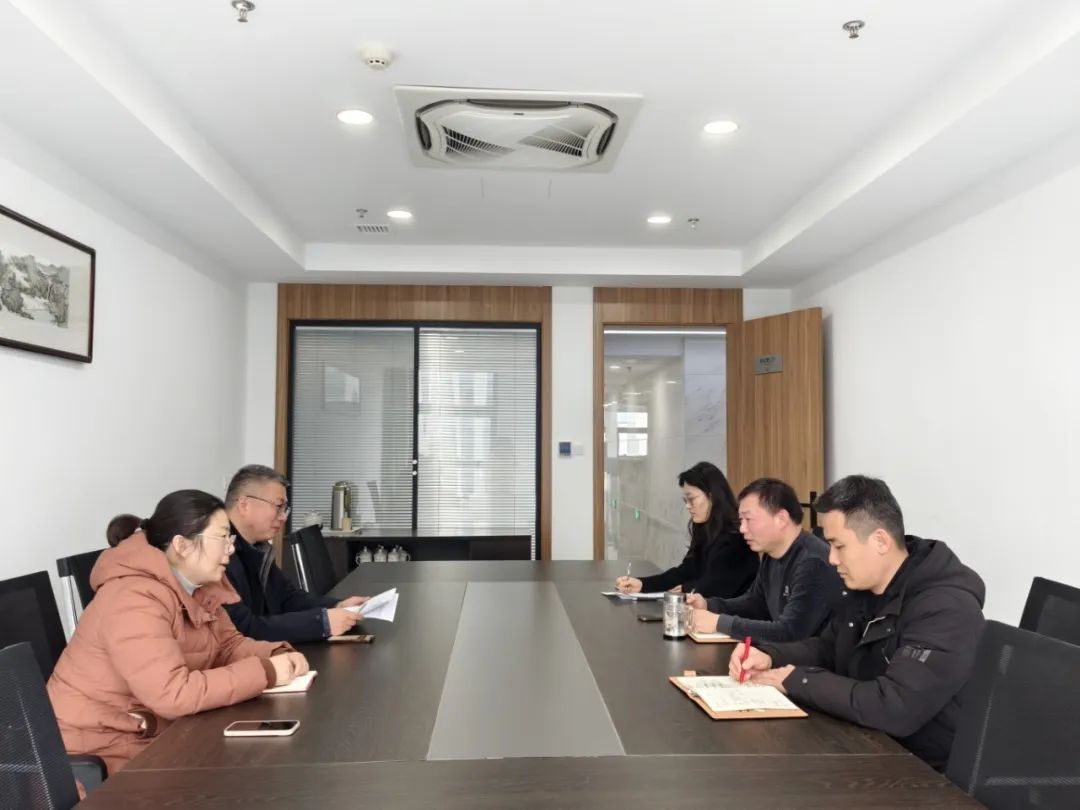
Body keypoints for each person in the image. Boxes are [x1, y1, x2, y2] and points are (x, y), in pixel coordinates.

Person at [729, 475, 985, 771]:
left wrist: (799, 680)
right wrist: (770, 655)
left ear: (880, 541)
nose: (832, 559)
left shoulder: (945, 609)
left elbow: (894, 707)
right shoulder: (865, 589)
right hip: (866, 744)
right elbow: (827, 648)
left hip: (922, 772)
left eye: (839, 546)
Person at [47, 490, 309, 773]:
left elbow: (228, 646)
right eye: (222, 537)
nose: (231, 549)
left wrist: (275, 654)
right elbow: (173, 694)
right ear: (182, 545)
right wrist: (266, 672)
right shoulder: (133, 598)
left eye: (230, 539)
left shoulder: (198, 587)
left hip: (155, 732)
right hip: (102, 750)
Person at [222, 465, 368, 643]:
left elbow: (287, 597)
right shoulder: (220, 555)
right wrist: (322, 623)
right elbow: (244, 629)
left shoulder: (257, 548)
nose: (283, 517)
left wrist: (337, 605)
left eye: (285, 509)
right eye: (278, 506)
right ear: (244, 505)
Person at [687, 478, 841, 642]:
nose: (742, 529)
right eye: (741, 521)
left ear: (781, 519)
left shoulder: (813, 563)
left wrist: (719, 623)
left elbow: (789, 633)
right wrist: (708, 605)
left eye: (748, 519)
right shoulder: (772, 553)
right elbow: (755, 603)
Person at [613, 462, 758, 598]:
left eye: (691, 499)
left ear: (712, 497)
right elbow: (685, 572)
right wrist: (643, 584)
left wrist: (686, 588)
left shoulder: (737, 537)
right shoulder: (704, 529)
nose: (688, 506)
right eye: (685, 501)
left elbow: (718, 587)